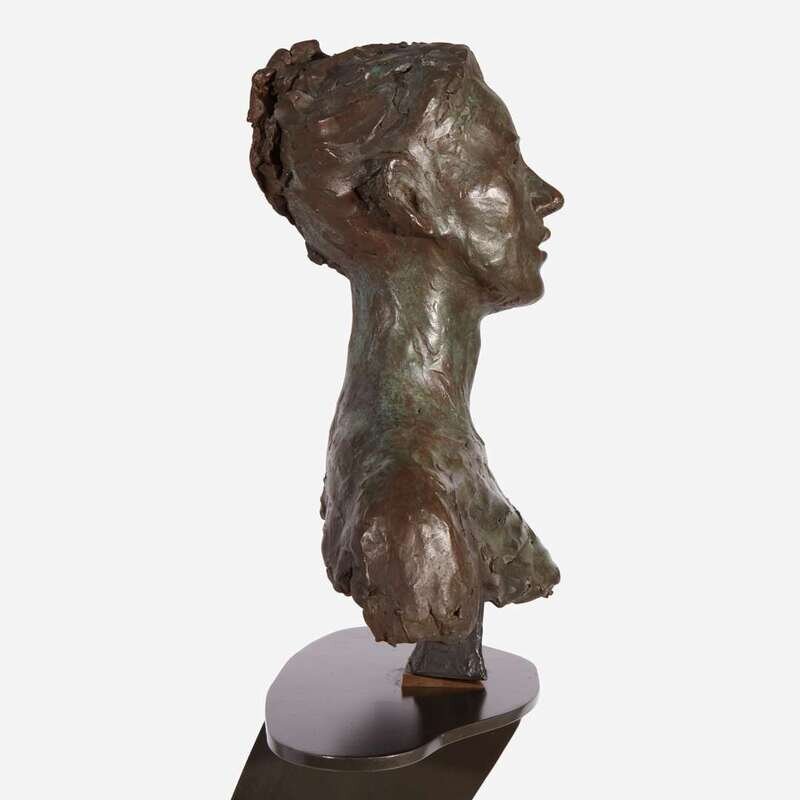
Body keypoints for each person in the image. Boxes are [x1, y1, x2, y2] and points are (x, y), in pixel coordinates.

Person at [249, 40, 562, 679]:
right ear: (410, 197)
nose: (545, 195)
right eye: (504, 161)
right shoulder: (411, 509)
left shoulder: (426, 452)